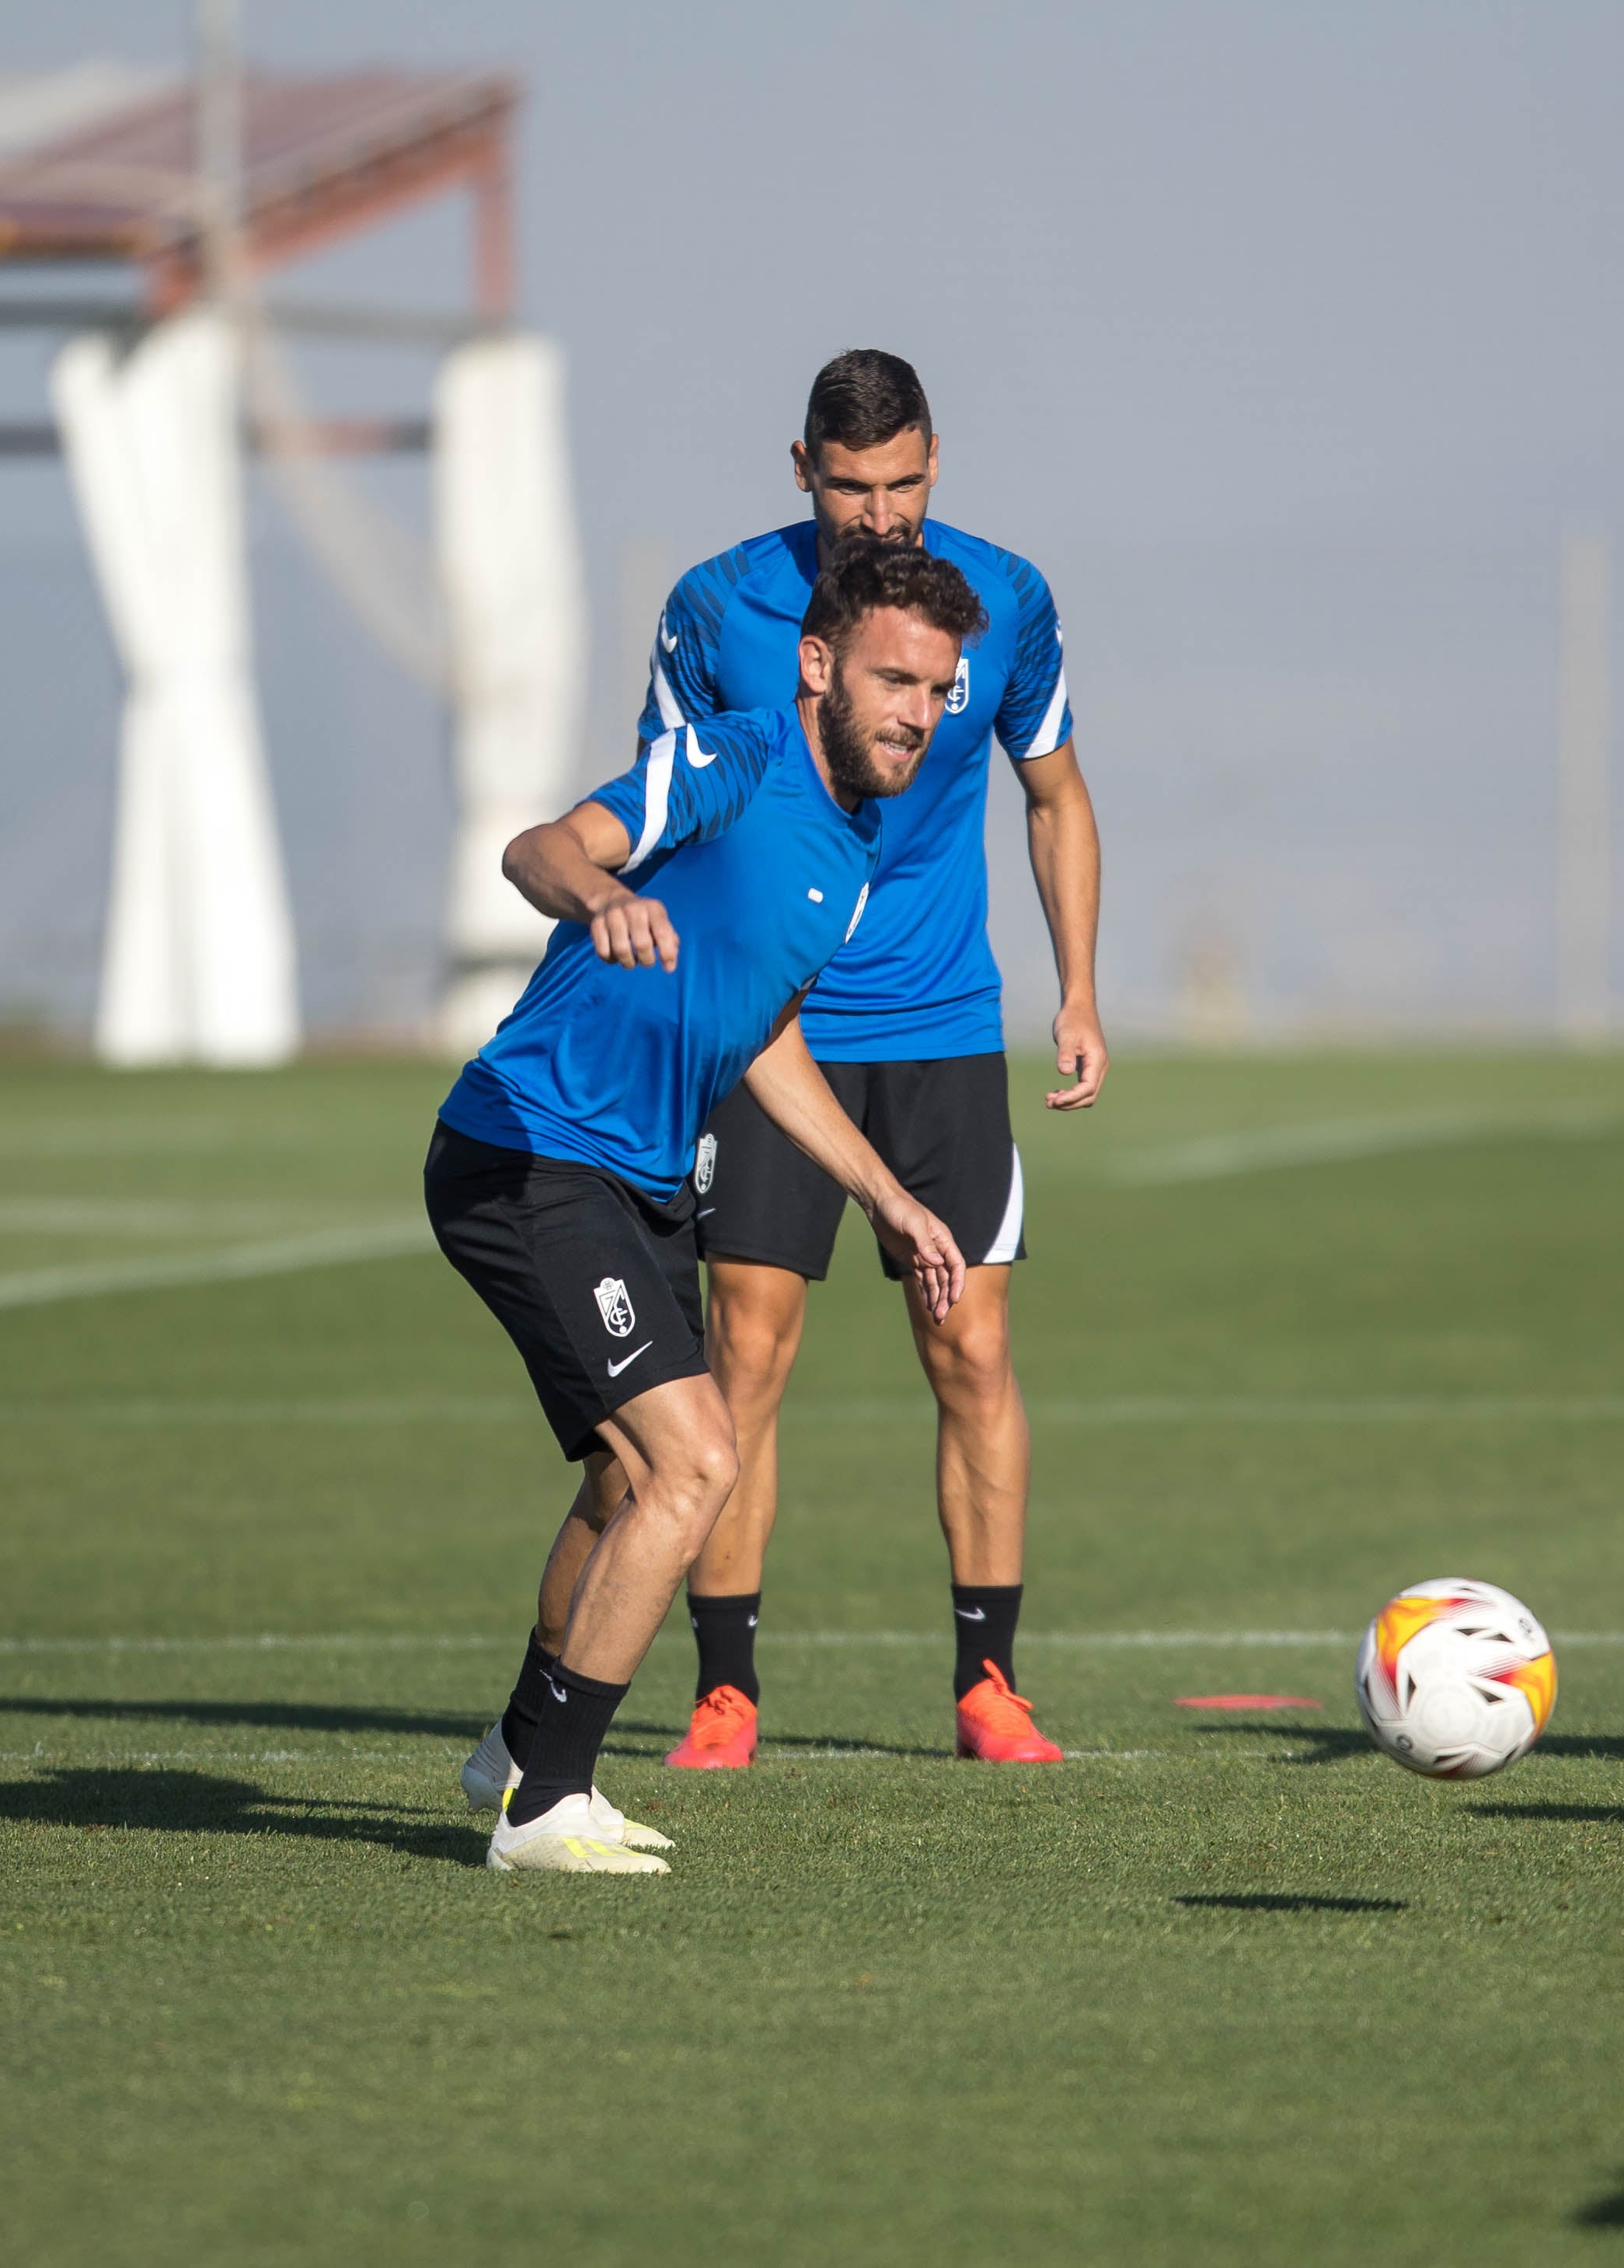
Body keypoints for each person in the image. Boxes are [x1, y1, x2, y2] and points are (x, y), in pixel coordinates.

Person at [434, 544, 988, 1872]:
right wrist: (605, 890)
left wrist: (887, 1197)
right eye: (892, 678)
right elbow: (539, 848)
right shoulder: (729, 762)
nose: (916, 709)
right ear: (817, 666)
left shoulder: (854, 843)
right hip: (529, 1149)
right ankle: (548, 1804)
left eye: (937, 687)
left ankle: (515, 1751)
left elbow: (760, 1030)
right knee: (695, 1462)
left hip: (637, 1179)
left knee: (630, 1473)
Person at [636, 350, 1103, 1773]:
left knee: (971, 1347)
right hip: (770, 1033)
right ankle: (726, 1693)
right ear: (801, 470)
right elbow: (669, 816)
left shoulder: (1002, 602)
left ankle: (988, 1685)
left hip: (944, 1031)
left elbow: (1055, 796)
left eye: (901, 480)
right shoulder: (717, 608)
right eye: (849, 485)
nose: (877, 511)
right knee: (745, 1356)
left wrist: (1077, 987)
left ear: (935, 462)